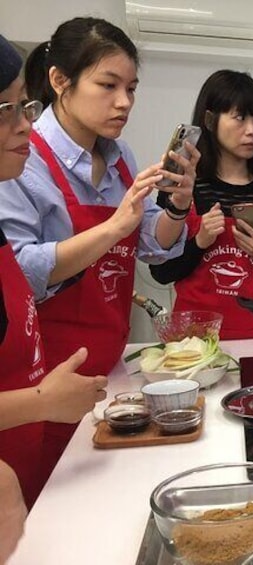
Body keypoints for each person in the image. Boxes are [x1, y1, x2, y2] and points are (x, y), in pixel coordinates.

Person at [0, 17, 196, 478]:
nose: (124, 102)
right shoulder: (23, 159)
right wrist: (111, 228)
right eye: (108, 85)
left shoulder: (119, 155)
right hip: (42, 381)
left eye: (131, 88)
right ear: (59, 81)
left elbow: (152, 246)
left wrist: (178, 208)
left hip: (108, 369)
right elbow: (21, 271)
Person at [0, 33, 107, 510]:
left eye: (24, 105)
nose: (25, 125)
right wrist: (42, 400)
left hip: (25, 460)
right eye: (5, 111)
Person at [149, 70, 253, 339]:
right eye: (240, 118)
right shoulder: (182, 187)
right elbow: (161, 272)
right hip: (192, 341)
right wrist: (199, 243)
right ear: (209, 120)